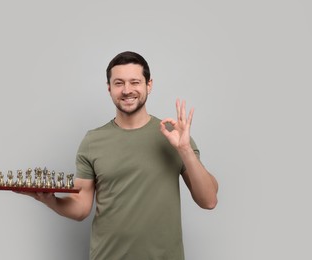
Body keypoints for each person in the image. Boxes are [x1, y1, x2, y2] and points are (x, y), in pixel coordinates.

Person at [21, 51, 218, 260]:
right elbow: (80, 208)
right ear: (109, 88)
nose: (127, 90)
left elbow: (209, 200)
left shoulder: (174, 136)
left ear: (148, 85)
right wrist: (48, 200)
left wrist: (185, 149)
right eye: (118, 83)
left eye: (135, 82)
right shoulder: (92, 141)